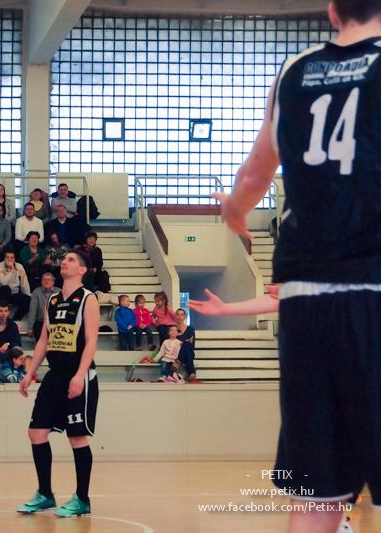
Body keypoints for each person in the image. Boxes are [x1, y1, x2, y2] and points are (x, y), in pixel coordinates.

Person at [213, 3, 381, 529]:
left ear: (332, 11)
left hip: (305, 299)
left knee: (315, 495)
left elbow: (254, 173)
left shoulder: (294, 71)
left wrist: (234, 211)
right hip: (373, 285)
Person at [17, 249, 100, 518]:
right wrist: (30, 372)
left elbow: (92, 341)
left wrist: (79, 375)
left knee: (76, 437)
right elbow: (44, 339)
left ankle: (82, 499)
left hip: (78, 374)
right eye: (64, 259)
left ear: (83, 270)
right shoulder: (52, 300)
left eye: (71, 260)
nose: (65, 262)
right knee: (36, 432)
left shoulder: (88, 299)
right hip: (54, 375)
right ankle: (45, 494)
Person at [0, 250, 31, 321]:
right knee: (6, 289)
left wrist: (27, 296)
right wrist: (11, 270)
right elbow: (3, 283)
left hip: (13, 293)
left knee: (28, 300)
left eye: (12, 257)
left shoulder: (19, 267)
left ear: (14, 259)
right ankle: (3, 318)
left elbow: (24, 284)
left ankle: (15, 319)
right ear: (4, 258)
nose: (9, 259)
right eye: (7, 257)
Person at [25, 272, 59, 340]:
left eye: (49, 280)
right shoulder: (36, 292)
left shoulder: (59, 292)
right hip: (40, 322)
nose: (46, 281)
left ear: (53, 282)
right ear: (41, 282)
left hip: (55, 322)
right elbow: (33, 310)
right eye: (44, 279)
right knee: (38, 330)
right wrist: (30, 328)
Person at [175, 308, 197, 382]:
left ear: (184, 317)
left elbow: (192, 345)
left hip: (188, 353)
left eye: (182, 315)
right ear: (175, 316)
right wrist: (184, 342)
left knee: (187, 345)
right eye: (178, 314)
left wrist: (183, 343)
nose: (179, 317)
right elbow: (171, 344)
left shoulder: (190, 329)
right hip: (176, 353)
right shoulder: (172, 329)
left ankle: (178, 363)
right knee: (187, 344)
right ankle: (191, 372)